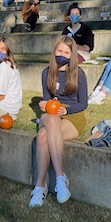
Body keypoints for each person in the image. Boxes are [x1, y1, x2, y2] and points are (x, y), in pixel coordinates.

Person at [29, 36, 88, 207]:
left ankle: (41, 186)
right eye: (59, 51)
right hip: (51, 114)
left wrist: (67, 109)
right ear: (54, 51)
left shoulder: (79, 74)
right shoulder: (46, 72)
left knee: (42, 136)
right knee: (51, 120)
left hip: (72, 116)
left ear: (72, 55)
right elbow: (47, 99)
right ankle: (59, 178)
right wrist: (44, 104)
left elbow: (83, 103)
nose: (62, 54)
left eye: (66, 52)